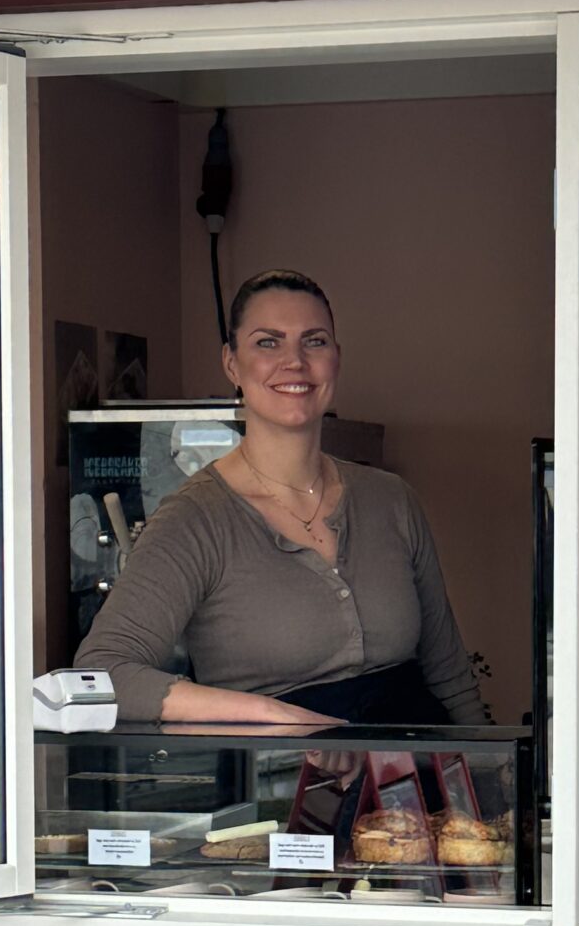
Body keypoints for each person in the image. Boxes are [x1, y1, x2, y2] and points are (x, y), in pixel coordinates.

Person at [74, 270, 484, 731]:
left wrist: (493, 770)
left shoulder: (392, 500)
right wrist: (269, 712)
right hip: (278, 775)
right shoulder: (195, 520)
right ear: (232, 364)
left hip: (413, 773)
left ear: (336, 358)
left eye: (315, 341)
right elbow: (104, 672)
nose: (294, 361)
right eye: (268, 343)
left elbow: (450, 678)